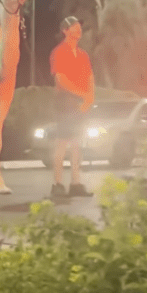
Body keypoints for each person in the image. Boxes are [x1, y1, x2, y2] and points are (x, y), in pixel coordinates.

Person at [48, 16, 94, 198]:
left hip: (80, 104)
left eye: (79, 27)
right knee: (62, 143)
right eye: (73, 27)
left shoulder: (83, 54)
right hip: (65, 103)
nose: (78, 30)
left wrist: (90, 98)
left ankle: (76, 183)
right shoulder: (59, 52)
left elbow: (90, 77)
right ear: (65, 31)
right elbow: (61, 79)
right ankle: (57, 184)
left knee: (77, 145)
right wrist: (82, 95)